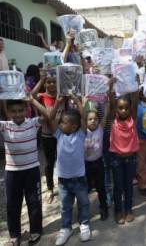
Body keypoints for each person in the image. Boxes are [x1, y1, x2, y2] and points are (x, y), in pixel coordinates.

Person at [1, 96, 49, 246]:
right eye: (13, 111)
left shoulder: (33, 123)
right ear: (8, 112)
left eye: (21, 110)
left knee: (34, 202)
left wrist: (32, 100)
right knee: (12, 204)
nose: (17, 114)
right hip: (12, 172)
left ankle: (35, 230)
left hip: (32, 170)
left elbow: (48, 116)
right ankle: (14, 234)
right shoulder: (4, 126)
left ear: (26, 110)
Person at [49, 96, 91, 245]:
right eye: (60, 122)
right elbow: (51, 117)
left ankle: (84, 224)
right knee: (65, 206)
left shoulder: (80, 134)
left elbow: (84, 117)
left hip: (79, 178)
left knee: (83, 203)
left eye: (63, 122)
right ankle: (65, 228)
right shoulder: (58, 134)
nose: (60, 124)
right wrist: (58, 102)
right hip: (63, 180)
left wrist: (78, 101)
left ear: (74, 126)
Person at [108, 79, 139, 224]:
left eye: (126, 108)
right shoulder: (113, 120)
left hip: (131, 158)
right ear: (116, 110)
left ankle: (128, 210)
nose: (123, 110)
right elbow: (111, 100)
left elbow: (135, 100)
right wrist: (110, 86)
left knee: (128, 186)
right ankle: (118, 211)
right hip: (116, 159)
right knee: (118, 186)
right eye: (120, 108)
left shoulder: (133, 119)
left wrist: (135, 85)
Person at [31, 69, 58, 204]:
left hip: (62, 135)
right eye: (49, 82)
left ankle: (65, 184)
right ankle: (50, 188)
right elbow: (30, 95)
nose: (52, 84)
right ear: (45, 84)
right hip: (47, 135)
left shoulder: (62, 96)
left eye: (54, 82)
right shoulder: (41, 96)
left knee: (63, 160)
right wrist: (41, 79)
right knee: (49, 163)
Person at [84, 109, 108, 220]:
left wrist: (108, 102)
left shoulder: (100, 129)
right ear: (85, 121)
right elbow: (81, 115)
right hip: (85, 165)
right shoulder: (83, 131)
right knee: (85, 189)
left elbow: (106, 112)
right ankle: (83, 211)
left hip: (98, 163)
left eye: (95, 119)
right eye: (90, 119)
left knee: (101, 187)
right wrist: (82, 103)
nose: (93, 121)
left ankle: (103, 208)